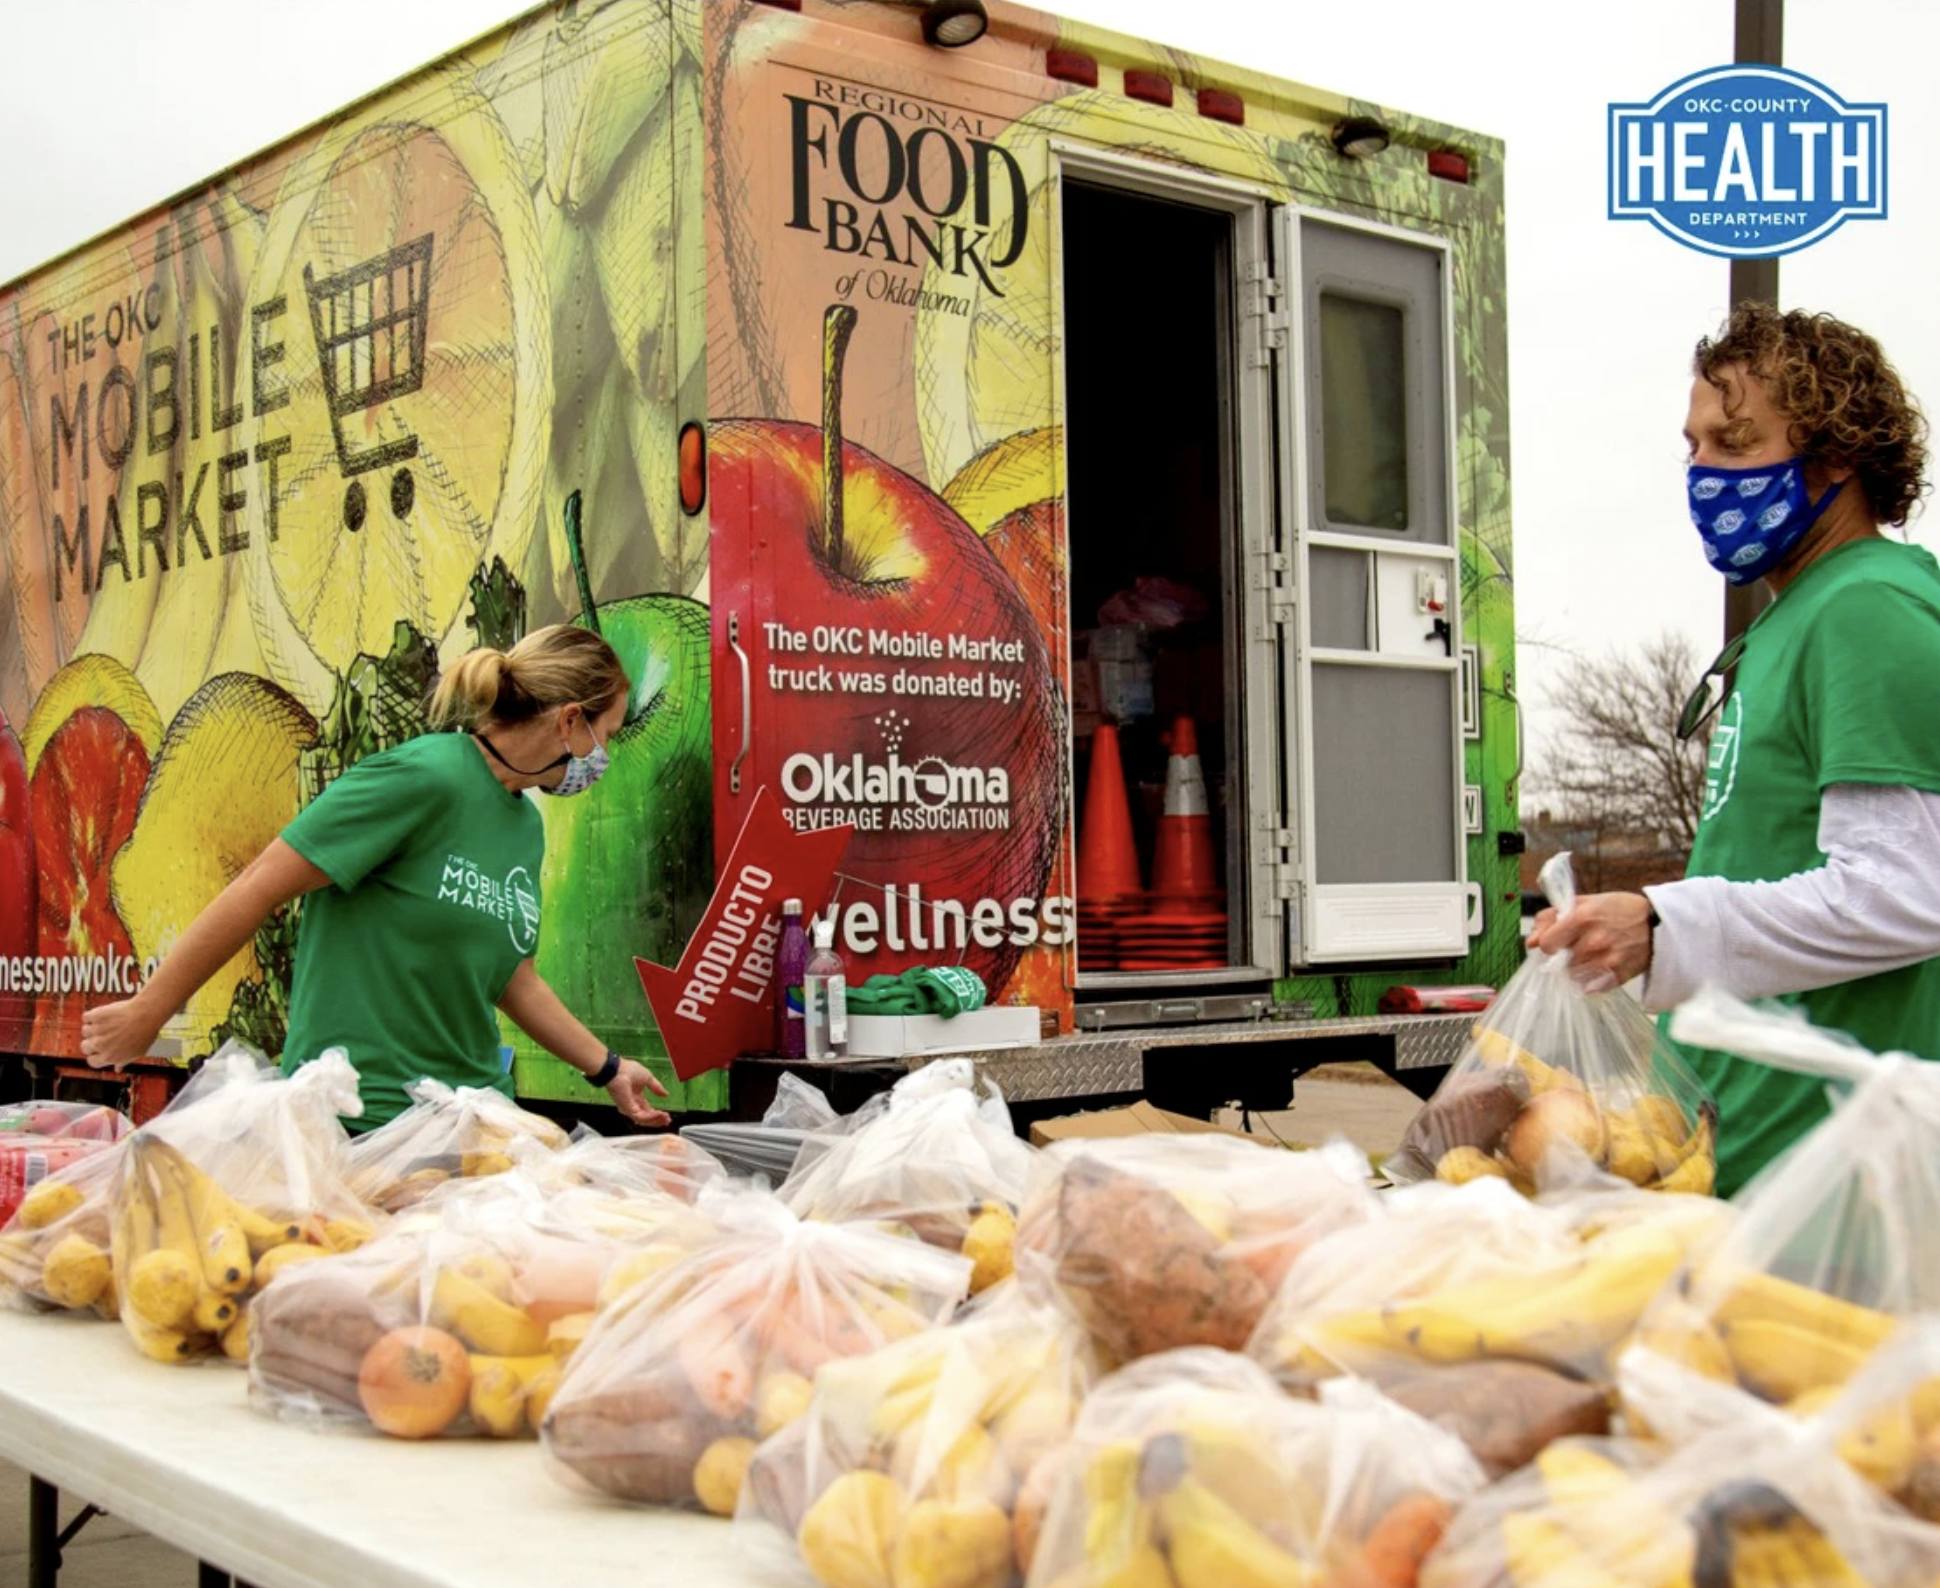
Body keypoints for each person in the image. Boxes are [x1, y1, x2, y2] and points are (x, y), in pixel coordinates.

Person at [1532, 303, 1940, 1197]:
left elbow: (1908, 894)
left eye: (1736, 443)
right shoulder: (1794, 617)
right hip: (1741, 1149)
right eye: (1695, 448)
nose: (1703, 474)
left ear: (1837, 456)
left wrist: (1663, 924)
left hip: (1828, 1176)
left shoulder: (1868, 611)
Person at [80, 625, 672, 1131]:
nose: (604, 757)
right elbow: (259, 886)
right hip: (359, 1122)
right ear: (570, 721)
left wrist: (610, 1069)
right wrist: (148, 1011)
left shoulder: (523, 825)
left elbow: (515, 980)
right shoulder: (418, 777)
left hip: (469, 1122)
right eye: (608, 735)